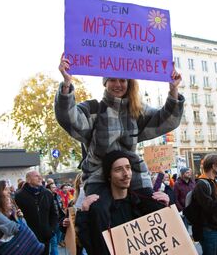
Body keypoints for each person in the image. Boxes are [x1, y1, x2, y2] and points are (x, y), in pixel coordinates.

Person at [55, 55, 184, 202]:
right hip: (98, 177)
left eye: (122, 80)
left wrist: (173, 89)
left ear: (128, 83)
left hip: (133, 174)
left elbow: (167, 120)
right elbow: (68, 118)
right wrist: (66, 83)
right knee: (101, 216)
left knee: (152, 208)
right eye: (112, 80)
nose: (118, 84)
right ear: (105, 83)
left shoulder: (137, 111)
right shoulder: (93, 109)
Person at [47, 182, 65, 255]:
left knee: (57, 241)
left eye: (55, 187)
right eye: (53, 187)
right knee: (54, 242)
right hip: (51, 223)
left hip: (59, 221)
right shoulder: (46, 197)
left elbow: (60, 207)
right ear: (49, 189)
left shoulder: (57, 196)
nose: (55, 189)